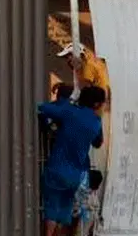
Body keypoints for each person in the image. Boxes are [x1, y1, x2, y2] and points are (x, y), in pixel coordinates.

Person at [38, 86, 106, 236]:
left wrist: (63, 104)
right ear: (96, 104)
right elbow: (98, 142)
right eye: (103, 104)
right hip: (75, 177)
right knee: (63, 215)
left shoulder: (70, 112)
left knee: (51, 212)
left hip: (56, 170)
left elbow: (43, 108)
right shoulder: (96, 123)